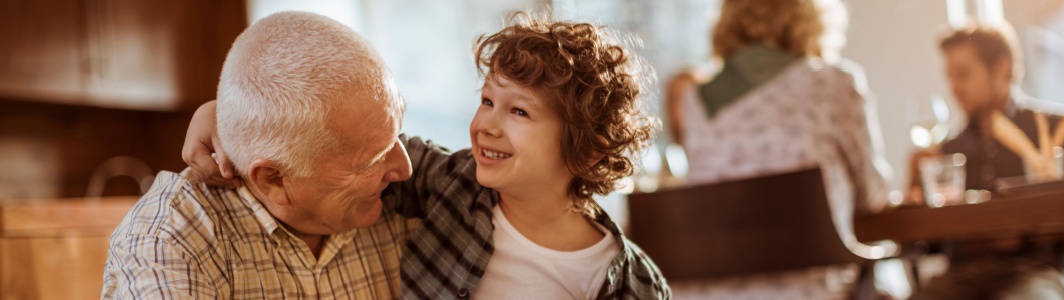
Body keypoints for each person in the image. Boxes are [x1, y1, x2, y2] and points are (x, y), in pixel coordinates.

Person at [184, 11, 671, 299]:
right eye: (487, 100)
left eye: (519, 112)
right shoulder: (451, 180)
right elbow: (343, 149)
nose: (487, 124)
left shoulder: (626, 280)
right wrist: (219, 115)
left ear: (587, 152)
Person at [101, 12, 417, 299]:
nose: (405, 169)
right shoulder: (168, 243)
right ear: (273, 179)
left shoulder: (408, 197)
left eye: (396, 134)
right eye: (372, 160)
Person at [664, 0, 894, 298]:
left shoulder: (695, 100)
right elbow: (873, 196)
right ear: (809, 18)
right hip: (811, 289)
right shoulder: (833, 83)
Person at [909, 21, 1064, 300]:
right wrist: (917, 194)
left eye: (963, 74)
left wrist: (1028, 227)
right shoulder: (947, 150)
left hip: (1035, 272)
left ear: (1002, 68)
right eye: (950, 76)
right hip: (960, 277)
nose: (954, 88)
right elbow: (928, 244)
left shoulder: (1057, 129)